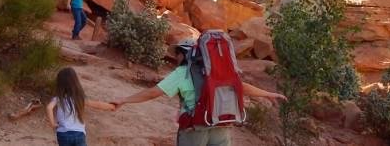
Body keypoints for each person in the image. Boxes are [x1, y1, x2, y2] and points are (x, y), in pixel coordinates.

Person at [111, 39, 287, 146]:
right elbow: (243, 87)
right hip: (222, 125)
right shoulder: (219, 72)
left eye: (178, 53)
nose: (176, 57)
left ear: (184, 54)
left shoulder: (182, 73)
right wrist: (270, 94)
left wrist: (124, 100)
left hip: (195, 128)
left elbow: (152, 93)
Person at [48, 67, 116, 146]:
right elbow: (97, 105)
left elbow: (49, 108)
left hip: (63, 134)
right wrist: (112, 106)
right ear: (75, 82)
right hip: (79, 133)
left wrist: (53, 124)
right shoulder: (79, 98)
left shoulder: (58, 99)